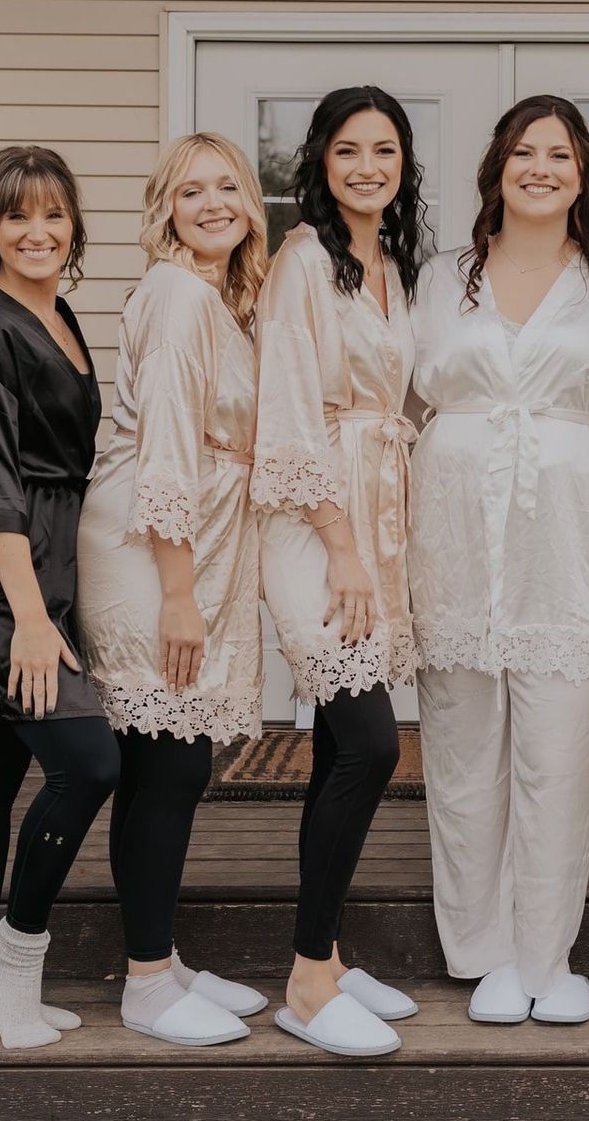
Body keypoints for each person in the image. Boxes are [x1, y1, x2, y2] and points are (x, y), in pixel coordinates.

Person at [409, 95, 589, 1027]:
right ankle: (483, 950)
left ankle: (547, 952)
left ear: (583, 173)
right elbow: (398, 401)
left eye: (558, 154)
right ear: (497, 169)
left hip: (569, 526)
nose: (539, 168)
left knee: (561, 739)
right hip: (456, 522)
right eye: (522, 152)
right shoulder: (439, 277)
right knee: (464, 743)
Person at [76, 132, 273, 1047]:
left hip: (189, 535)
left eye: (227, 185)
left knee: (174, 762)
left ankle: (165, 957)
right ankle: (148, 982)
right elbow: (163, 448)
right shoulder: (180, 292)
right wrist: (178, 592)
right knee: (168, 762)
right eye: (190, 191)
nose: (212, 202)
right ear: (166, 209)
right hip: (150, 540)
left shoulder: (217, 299)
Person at [0, 145, 119, 1050]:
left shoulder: (61, 313)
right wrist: (33, 620)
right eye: (17, 217)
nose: (38, 232)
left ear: (74, 224)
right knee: (89, 763)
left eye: (53, 215)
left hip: (45, 566)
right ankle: (15, 954)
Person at [251, 86, 426, 1058]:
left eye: (386, 149)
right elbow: (287, 414)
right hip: (319, 518)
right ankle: (308, 980)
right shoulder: (304, 260)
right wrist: (344, 541)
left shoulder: (388, 263)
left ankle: (330, 952)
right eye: (349, 149)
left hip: (378, 510)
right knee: (367, 742)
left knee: (336, 746)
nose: (368, 165)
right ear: (319, 159)